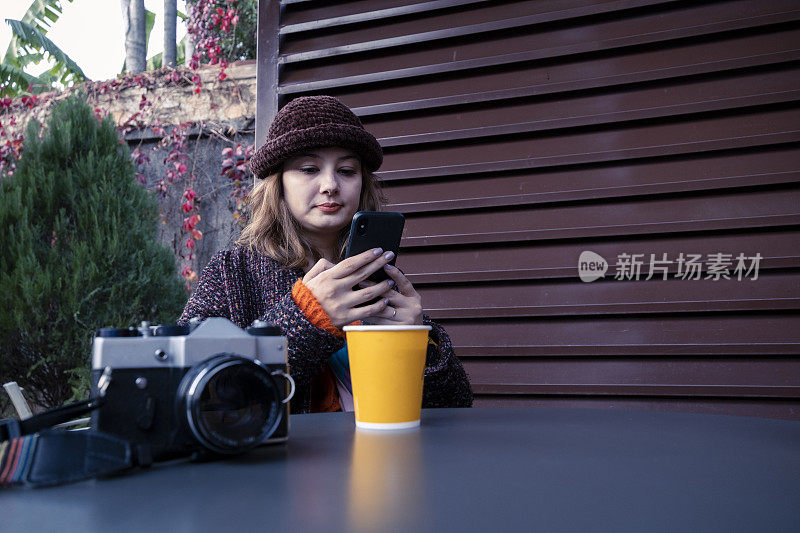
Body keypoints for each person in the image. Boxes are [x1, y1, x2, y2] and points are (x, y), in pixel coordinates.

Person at [178, 95, 472, 413]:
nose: (330, 184)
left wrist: (418, 342)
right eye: (309, 169)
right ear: (278, 183)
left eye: (346, 170)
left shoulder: (379, 275)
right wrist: (308, 318)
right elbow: (194, 391)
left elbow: (456, 408)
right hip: (283, 461)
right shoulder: (233, 272)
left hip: (382, 458)